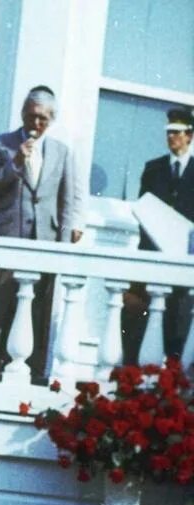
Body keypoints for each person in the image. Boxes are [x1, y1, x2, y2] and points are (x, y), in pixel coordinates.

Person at [0, 86, 83, 380]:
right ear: (23, 113)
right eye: (32, 116)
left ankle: (35, 370)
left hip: (45, 239)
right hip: (9, 235)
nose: (36, 124)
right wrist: (15, 163)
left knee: (39, 305)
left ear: (52, 119)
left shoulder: (62, 152)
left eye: (43, 119)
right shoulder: (1, 144)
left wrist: (64, 244)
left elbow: (68, 199)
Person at [124, 107, 194, 361]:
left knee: (177, 322)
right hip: (152, 254)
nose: (171, 137)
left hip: (184, 260)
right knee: (137, 316)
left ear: (190, 135)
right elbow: (144, 210)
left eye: (177, 132)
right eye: (169, 132)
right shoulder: (153, 169)